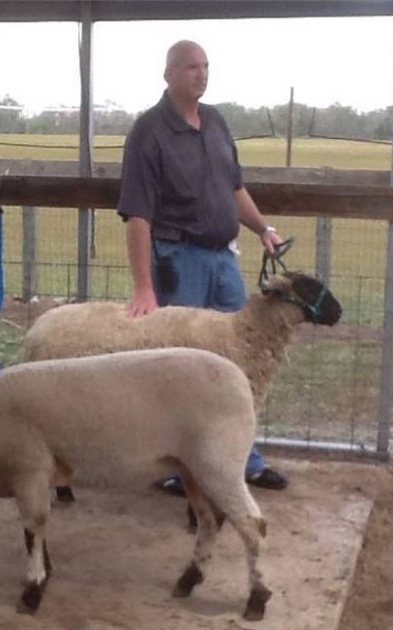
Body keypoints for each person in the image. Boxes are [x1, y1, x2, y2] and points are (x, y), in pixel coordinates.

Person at [117, 39, 289, 493]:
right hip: (178, 260)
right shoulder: (148, 132)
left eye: (206, 66)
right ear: (169, 73)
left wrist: (263, 230)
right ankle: (178, 468)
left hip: (223, 259)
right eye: (192, 66)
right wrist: (143, 288)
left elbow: (234, 189)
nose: (201, 73)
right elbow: (138, 214)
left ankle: (243, 461)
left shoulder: (215, 122)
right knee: (182, 367)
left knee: (239, 362)